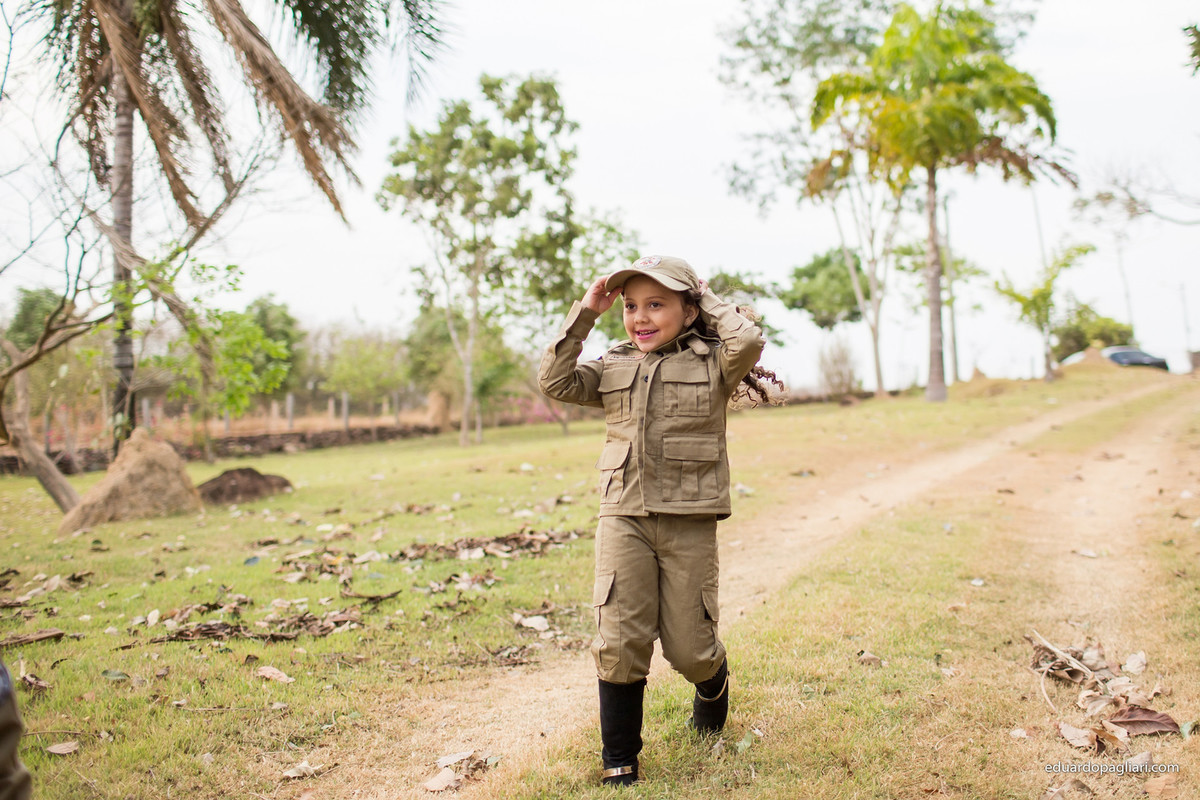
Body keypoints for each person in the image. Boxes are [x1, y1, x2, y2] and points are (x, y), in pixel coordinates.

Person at [538, 254, 781, 786]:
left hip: (689, 518)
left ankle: (711, 684)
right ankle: (619, 760)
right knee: (619, 636)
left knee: (689, 648)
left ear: (688, 310)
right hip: (622, 512)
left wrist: (706, 295)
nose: (640, 318)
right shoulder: (614, 363)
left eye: (656, 305)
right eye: (630, 307)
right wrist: (586, 312)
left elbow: (748, 343)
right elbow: (555, 381)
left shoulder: (714, 362)